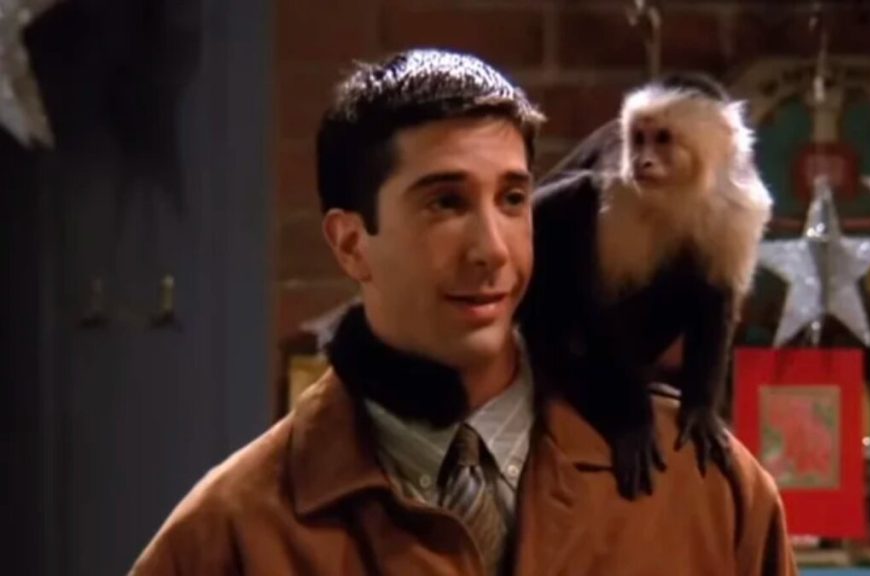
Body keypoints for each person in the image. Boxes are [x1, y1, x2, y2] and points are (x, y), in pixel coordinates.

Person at [130, 48, 797, 575]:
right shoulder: (234, 530)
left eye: (512, 200)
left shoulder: (712, 495)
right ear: (352, 243)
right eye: (445, 203)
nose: (492, 250)